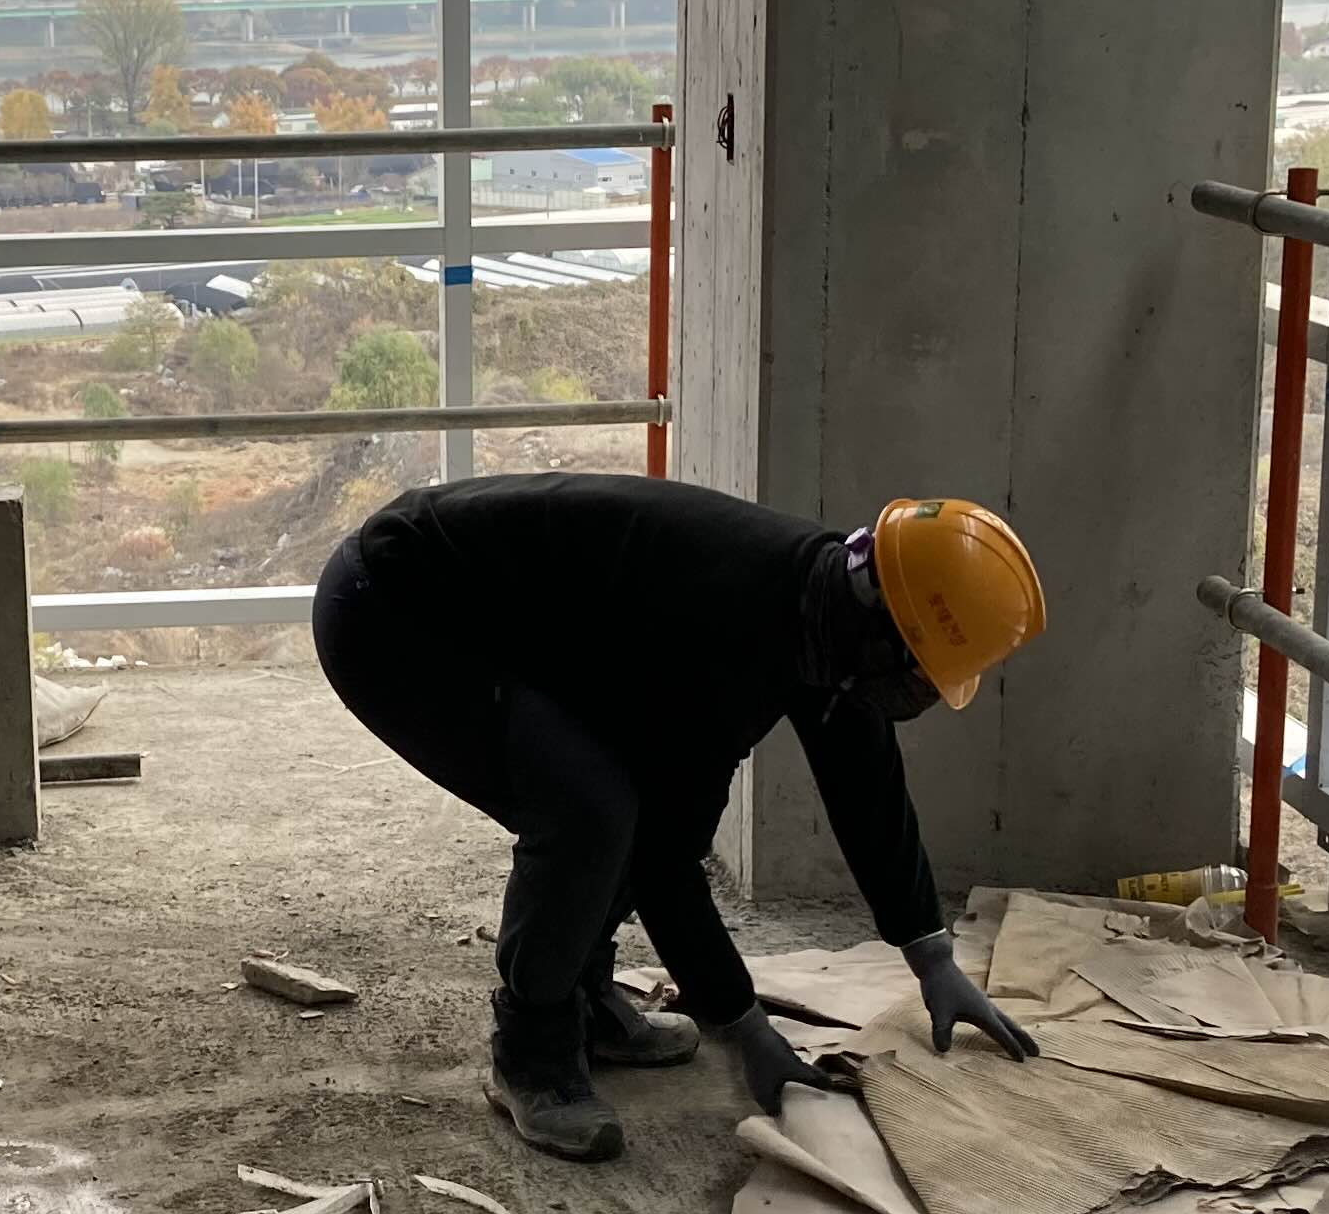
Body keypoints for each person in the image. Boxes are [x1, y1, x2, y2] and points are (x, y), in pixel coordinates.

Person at [312, 472, 1049, 1160]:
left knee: (618, 802)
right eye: (917, 674)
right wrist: (745, 1029)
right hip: (394, 610)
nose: (915, 696)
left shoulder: (829, 611)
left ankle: (582, 998)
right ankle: (531, 1050)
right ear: (883, 629)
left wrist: (932, 958)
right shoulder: (727, 626)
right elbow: (665, 862)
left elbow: (867, 785)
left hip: (504, 614)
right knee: (591, 809)